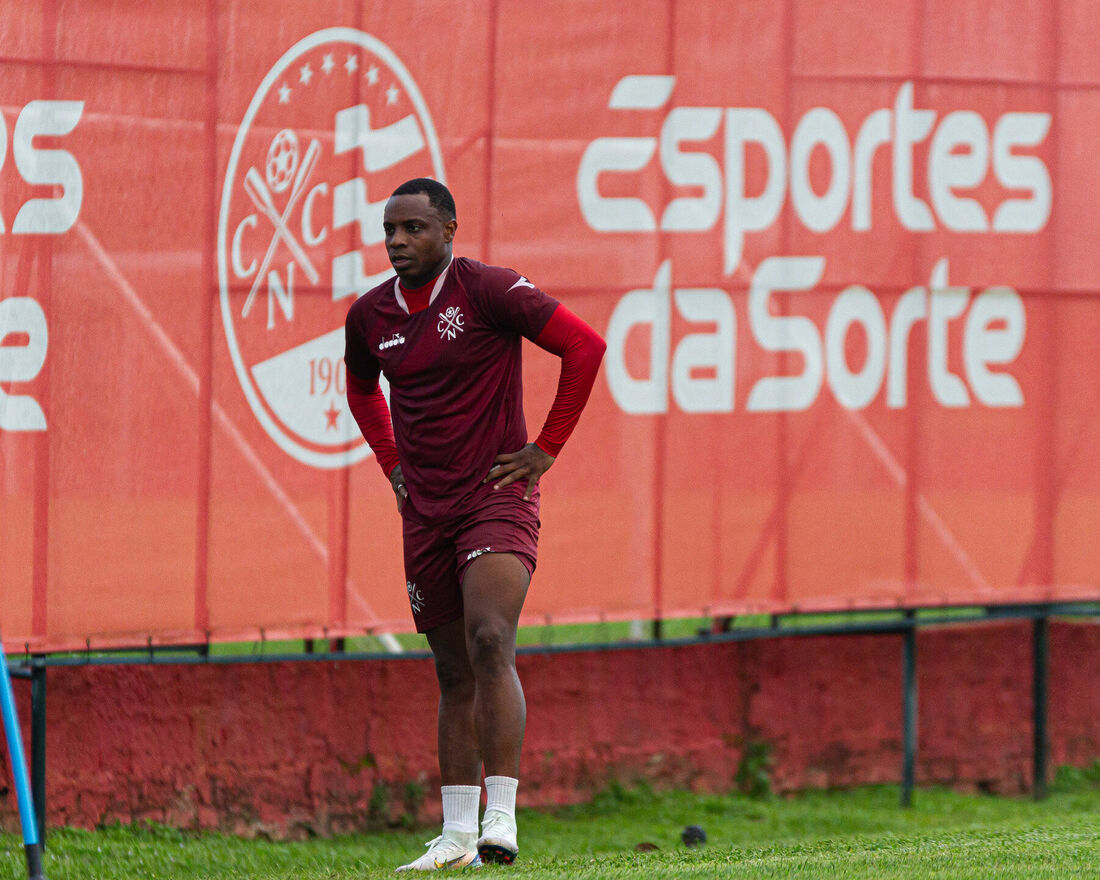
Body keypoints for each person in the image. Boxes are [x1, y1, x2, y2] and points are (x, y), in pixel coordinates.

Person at [343, 178, 605, 871]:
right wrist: (392, 463)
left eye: (414, 228)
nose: (398, 241)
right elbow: (362, 387)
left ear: (450, 229)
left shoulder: (488, 290)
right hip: (424, 510)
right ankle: (456, 837)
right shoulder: (370, 316)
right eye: (390, 230)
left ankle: (500, 817)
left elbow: (584, 346)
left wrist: (545, 448)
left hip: (495, 495)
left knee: (490, 638)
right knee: (452, 670)